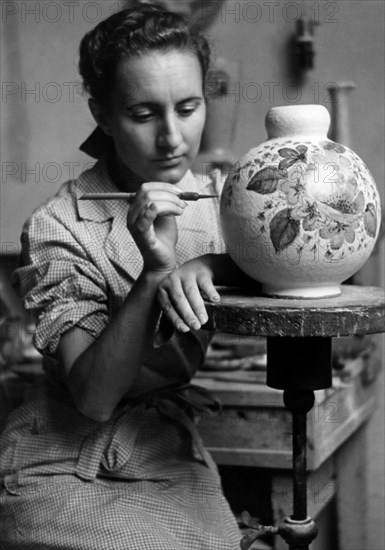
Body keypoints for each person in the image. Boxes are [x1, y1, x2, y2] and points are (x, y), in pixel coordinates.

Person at [0, 5, 251, 549]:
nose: (172, 138)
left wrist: (208, 263)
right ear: (104, 114)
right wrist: (155, 275)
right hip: (64, 460)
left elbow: (285, 269)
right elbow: (92, 396)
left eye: (188, 108)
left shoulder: (227, 201)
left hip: (165, 446)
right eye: (143, 114)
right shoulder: (58, 224)